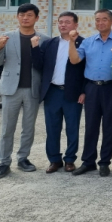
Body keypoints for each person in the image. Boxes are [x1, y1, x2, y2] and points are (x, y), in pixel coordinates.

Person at [0, 3, 49, 179]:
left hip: (32, 89)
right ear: (17, 17)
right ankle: (4, 162)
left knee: (28, 128)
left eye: (29, 15)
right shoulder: (7, 37)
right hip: (11, 89)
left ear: (36, 18)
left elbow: (45, 65)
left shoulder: (44, 39)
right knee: (7, 128)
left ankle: (23, 158)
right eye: (22, 14)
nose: (25, 18)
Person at [68, 9, 112, 177]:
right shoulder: (87, 42)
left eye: (104, 19)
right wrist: (72, 42)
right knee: (91, 126)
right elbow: (74, 60)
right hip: (92, 88)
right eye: (97, 20)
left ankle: (104, 162)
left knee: (110, 126)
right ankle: (88, 162)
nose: (100, 22)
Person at [31, 11, 86, 174]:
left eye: (67, 22)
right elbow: (39, 65)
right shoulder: (50, 43)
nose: (63, 25)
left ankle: (70, 160)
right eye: (60, 22)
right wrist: (34, 48)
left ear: (75, 25)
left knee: (72, 128)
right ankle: (54, 160)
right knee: (52, 128)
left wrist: (84, 91)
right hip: (52, 92)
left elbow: (87, 68)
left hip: (73, 93)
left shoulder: (84, 43)